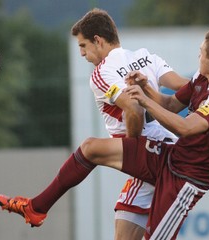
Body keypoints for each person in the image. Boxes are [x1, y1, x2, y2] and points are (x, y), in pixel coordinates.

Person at [0, 28, 209, 239]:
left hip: (185, 180)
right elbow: (171, 105)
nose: (198, 56)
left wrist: (146, 103)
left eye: (201, 53)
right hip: (169, 157)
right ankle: (36, 208)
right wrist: (146, 87)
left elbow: (185, 128)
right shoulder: (203, 79)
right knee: (92, 147)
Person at [69, 8, 189, 240]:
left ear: (98, 40)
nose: (82, 54)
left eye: (83, 46)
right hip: (171, 148)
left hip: (152, 153)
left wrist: (133, 152)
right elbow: (184, 86)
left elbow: (134, 109)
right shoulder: (147, 56)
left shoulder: (101, 73)